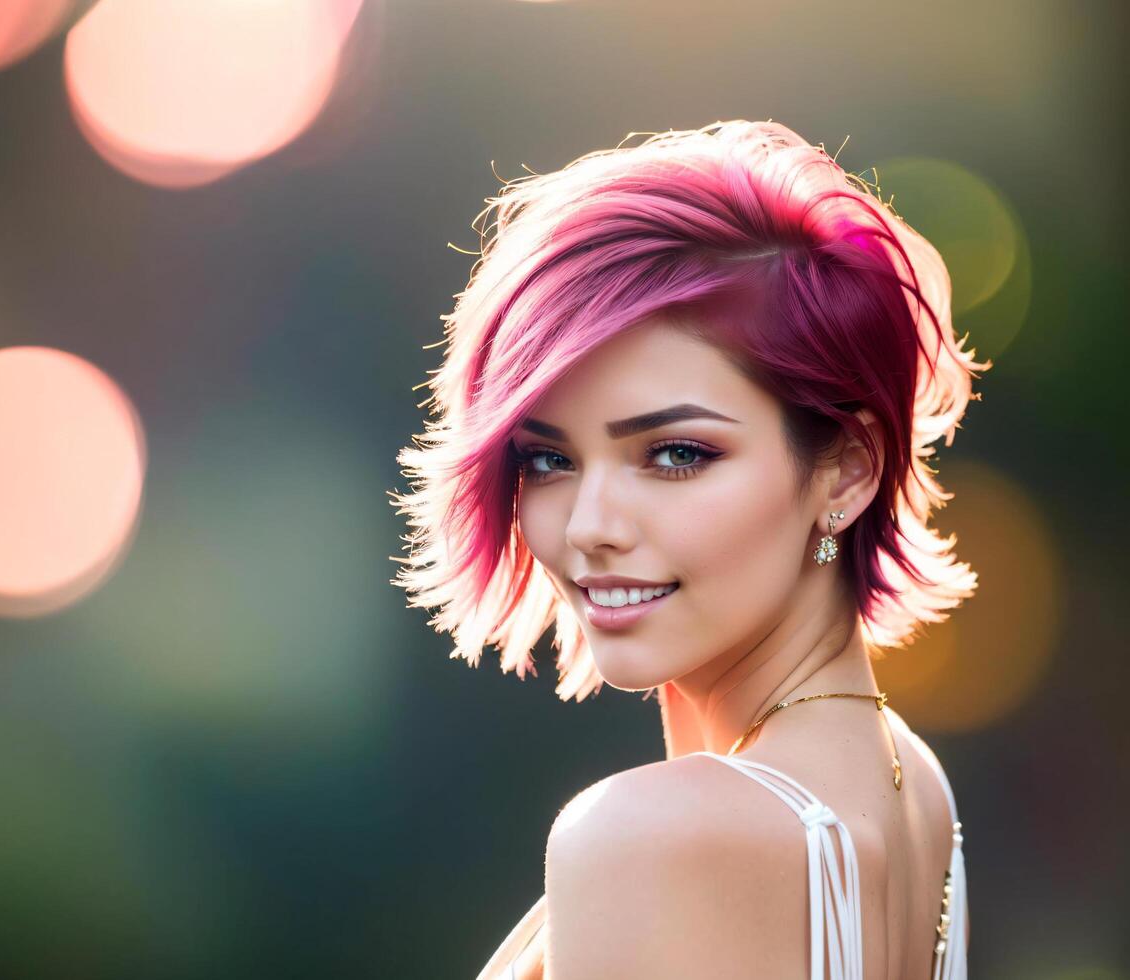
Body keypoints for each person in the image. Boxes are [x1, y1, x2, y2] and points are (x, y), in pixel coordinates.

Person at [390, 120, 988, 979]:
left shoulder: (648, 836)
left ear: (848, 473)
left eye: (676, 455)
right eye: (548, 459)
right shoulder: (910, 787)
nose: (591, 523)